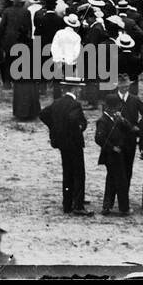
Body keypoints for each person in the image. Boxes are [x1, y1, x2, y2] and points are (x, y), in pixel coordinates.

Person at [39, 77, 90, 215]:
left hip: (62, 143)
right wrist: (78, 128)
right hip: (74, 143)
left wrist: (55, 129)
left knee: (67, 172)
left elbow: (43, 114)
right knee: (79, 173)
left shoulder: (57, 103)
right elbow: (74, 120)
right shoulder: (75, 105)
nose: (80, 90)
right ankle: (78, 205)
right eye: (78, 88)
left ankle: (67, 204)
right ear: (74, 89)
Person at [95, 93, 135, 216]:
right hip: (111, 155)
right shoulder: (102, 121)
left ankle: (107, 206)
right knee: (121, 181)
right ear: (109, 108)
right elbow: (99, 139)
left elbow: (129, 129)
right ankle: (124, 208)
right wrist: (112, 148)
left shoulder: (116, 119)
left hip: (119, 155)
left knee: (111, 180)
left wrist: (122, 120)